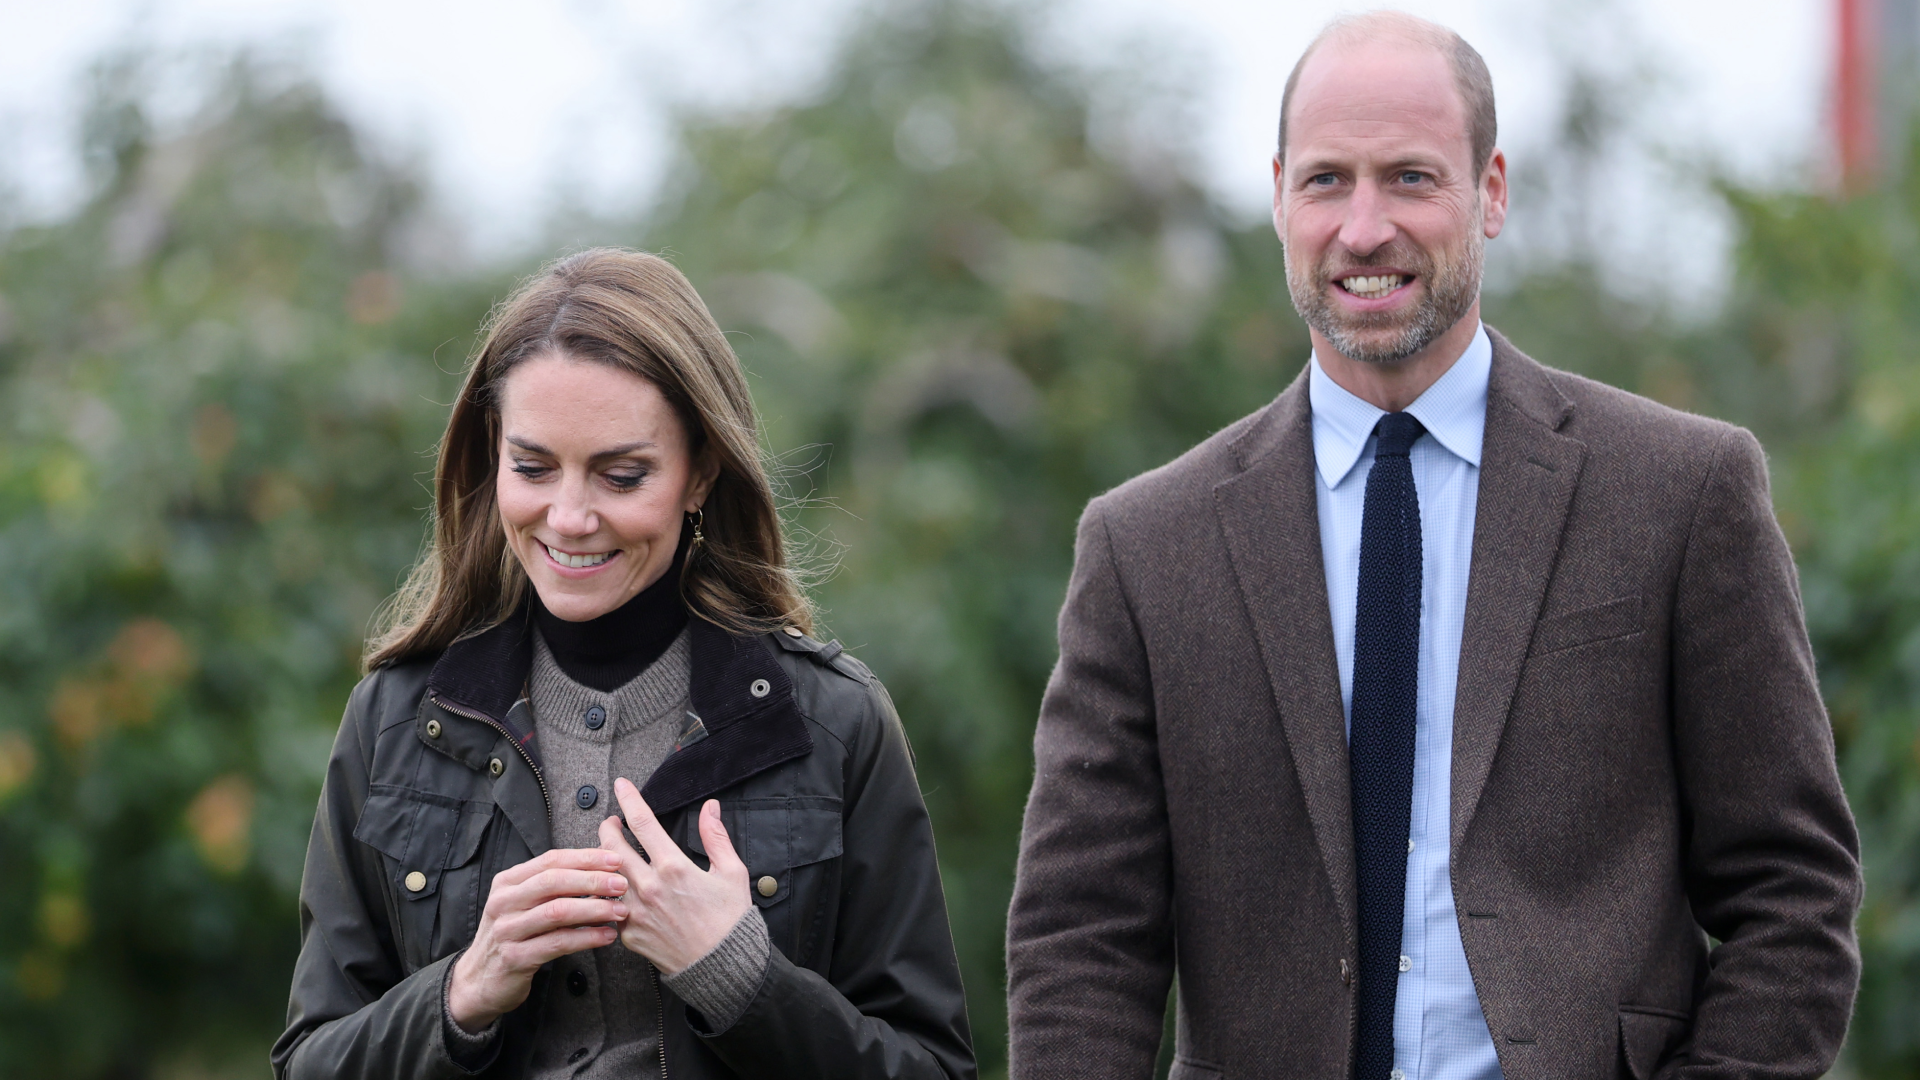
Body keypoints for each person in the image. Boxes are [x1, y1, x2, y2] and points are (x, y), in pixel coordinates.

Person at [1005, 12, 1861, 1080]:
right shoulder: (1145, 547)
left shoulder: (1680, 492)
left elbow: (1793, 892)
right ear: (1278, 195)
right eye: (1326, 181)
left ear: (1491, 191)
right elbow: (1081, 939)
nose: (1363, 229)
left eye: (1410, 178)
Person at [272, 248, 974, 1079]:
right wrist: (461, 993)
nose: (569, 517)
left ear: (701, 472)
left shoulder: (833, 724)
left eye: (622, 474)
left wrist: (741, 979)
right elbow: (308, 1063)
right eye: (532, 467)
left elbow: (933, 1067)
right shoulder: (393, 722)